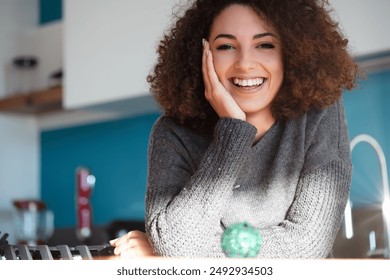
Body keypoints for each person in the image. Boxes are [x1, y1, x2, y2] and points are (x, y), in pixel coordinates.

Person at [110, 0, 359, 258]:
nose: (245, 63)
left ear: (292, 52)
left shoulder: (318, 113)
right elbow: (176, 240)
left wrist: (182, 250)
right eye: (226, 46)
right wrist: (234, 132)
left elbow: (308, 246)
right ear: (202, 55)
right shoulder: (172, 133)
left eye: (265, 44)